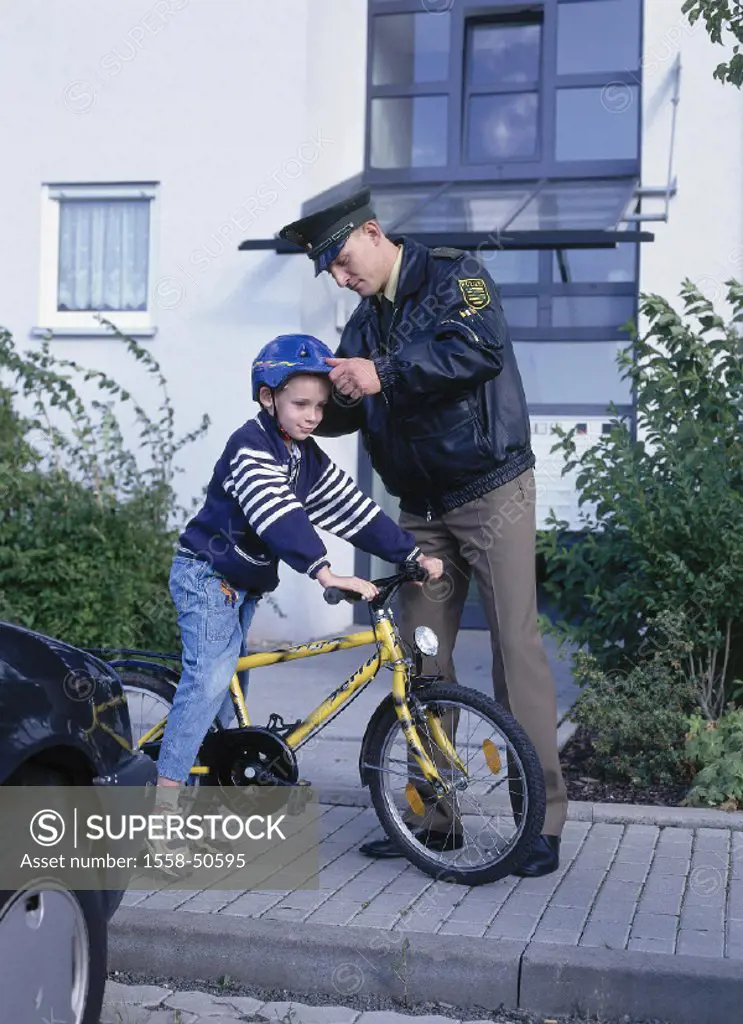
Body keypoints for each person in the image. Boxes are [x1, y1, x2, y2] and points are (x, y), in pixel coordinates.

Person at [278, 190, 568, 877]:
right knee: (422, 663)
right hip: (419, 511)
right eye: (332, 274)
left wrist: (382, 373)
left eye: (345, 263)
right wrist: (308, 400)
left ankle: (541, 823)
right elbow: (354, 405)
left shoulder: (454, 275)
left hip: (490, 492)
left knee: (514, 650)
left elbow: (478, 350)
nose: (342, 279)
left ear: (373, 234)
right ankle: (433, 818)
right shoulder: (362, 323)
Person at [149, 333, 443, 858]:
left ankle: (222, 788)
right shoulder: (250, 446)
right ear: (268, 398)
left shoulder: (305, 456)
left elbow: (351, 509)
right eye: (300, 404)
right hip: (206, 576)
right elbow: (274, 511)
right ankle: (163, 811)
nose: (312, 416)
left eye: (320, 406)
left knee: (233, 691)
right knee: (211, 680)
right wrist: (324, 571)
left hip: (243, 586)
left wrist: (409, 556)